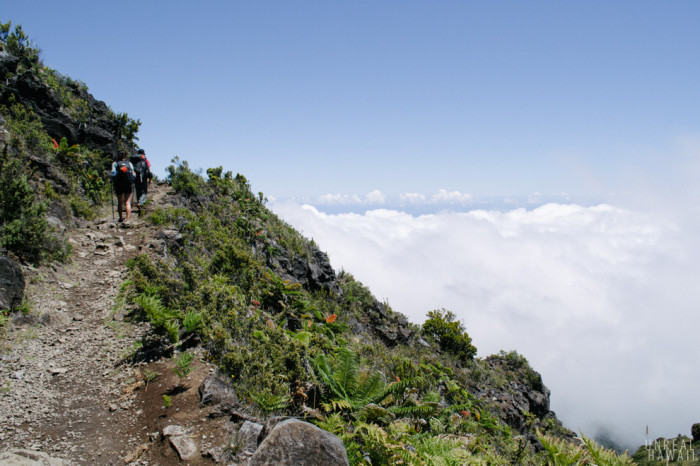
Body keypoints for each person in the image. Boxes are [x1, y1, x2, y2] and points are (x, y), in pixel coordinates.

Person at [111, 150, 135, 223]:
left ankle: (120, 218)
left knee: (120, 202)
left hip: (119, 184)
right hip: (128, 184)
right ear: (126, 156)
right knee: (127, 203)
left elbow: (113, 173)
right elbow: (133, 174)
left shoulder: (115, 163)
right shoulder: (129, 164)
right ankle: (128, 220)